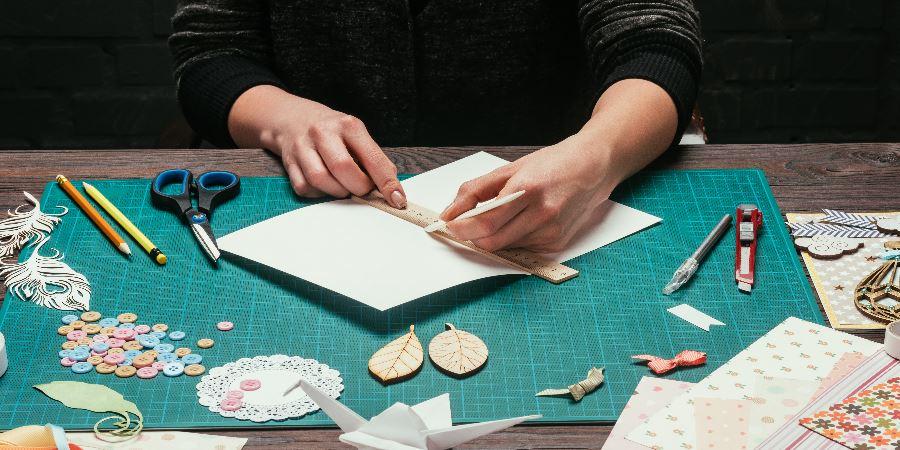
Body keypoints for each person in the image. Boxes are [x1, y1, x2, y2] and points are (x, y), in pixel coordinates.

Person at [169, 1, 702, 252]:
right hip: (306, 200)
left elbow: (654, 40)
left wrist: (598, 155)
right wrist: (284, 120)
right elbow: (212, 50)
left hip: (559, 186)